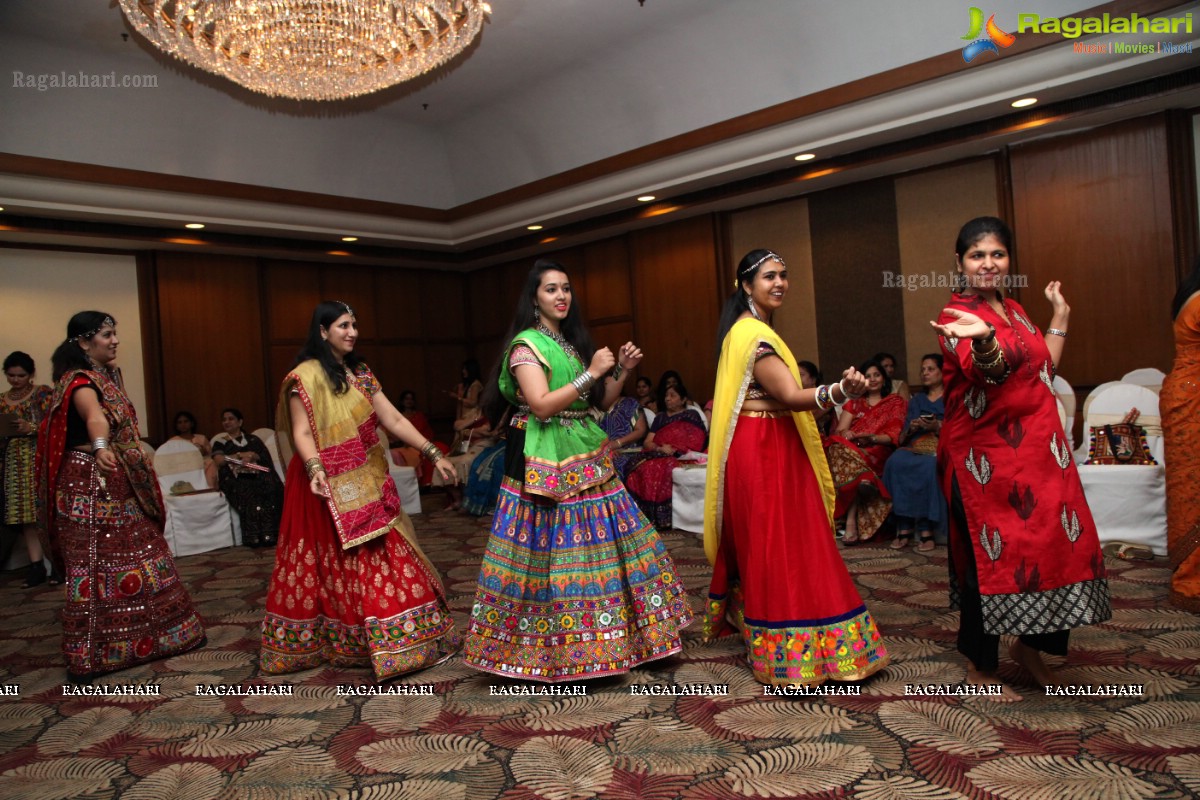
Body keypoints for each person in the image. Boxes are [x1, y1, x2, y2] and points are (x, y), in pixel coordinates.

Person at [464, 259, 692, 681]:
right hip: (542, 459)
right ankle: (558, 647)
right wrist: (592, 372)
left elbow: (598, 404)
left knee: (613, 543)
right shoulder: (526, 346)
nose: (562, 296)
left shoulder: (567, 343)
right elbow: (542, 405)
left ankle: (620, 639)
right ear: (534, 298)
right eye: (551, 289)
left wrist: (620, 369)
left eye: (566, 288)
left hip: (584, 451)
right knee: (551, 553)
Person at [931, 216, 1109, 699]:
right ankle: (979, 666)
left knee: (1057, 544)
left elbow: (1041, 367)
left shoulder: (1014, 308)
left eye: (997, 254)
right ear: (960, 263)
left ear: (1009, 260)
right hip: (983, 462)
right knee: (989, 555)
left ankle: (1029, 649)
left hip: (1040, 455)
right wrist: (984, 338)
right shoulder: (956, 316)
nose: (988, 264)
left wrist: (1060, 318)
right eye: (976, 255)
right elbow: (988, 373)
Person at [704, 249, 888, 687]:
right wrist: (841, 390)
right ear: (746, 286)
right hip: (764, 446)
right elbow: (789, 395)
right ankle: (789, 645)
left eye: (784, 275)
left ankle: (787, 629)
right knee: (778, 541)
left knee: (786, 537)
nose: (780, 283)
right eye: (769, 277)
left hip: (771, 441)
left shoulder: (753, 331)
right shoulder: (753, 336)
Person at [261, 301, 461, 680]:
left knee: (381, 548)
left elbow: (393, 418)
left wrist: (433, 452)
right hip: (320, 483)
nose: (351, 332)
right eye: (342, 325)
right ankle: (343, 639)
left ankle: (402, 639)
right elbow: (301, 432)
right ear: (322, 331)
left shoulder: (361, 373)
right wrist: (316, 469)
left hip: (366, 478)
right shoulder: (304, 378)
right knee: (330, 561)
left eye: (354, 325)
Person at [37, 312, 205, 682]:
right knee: (98, 565)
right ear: (83, 343)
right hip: (90, 480)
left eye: (115, 334)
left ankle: (163, 636)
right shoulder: (79, 382)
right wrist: (100, 447)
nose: (114, 341)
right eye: (106, 335)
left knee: (143, 552)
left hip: (115, 479)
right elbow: (94, 416)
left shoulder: (105, 377)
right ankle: (97, 653)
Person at [825, 359, 906, 543]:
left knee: (845, 457)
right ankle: (864, 483)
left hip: (878, 449)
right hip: (854, 449)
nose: (873, 379)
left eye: (877, 375)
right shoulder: (855, 403)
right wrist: (850, 433)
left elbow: (893, 435)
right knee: (836, 444)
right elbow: (841, 431)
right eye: (868, 376)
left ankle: (851, 523)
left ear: (884, 379)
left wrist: (871, 437)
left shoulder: (894, 403)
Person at [2, 352, 57, 587]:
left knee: (45, 513)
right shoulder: (2, 399)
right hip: (13, 462)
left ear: (31, 374)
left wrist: (31, 426)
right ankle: (36, 567)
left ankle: (56, 564)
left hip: (38, 457)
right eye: (10, 375)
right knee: (25, 518)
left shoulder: (42, 394)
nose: (15, 380)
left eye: (21, 375)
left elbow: (55, 423)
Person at [882, 354, 946, 552]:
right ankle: (904, 524)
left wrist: (937, 425)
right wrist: (913, 427)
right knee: (895, 461)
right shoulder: (917, 400)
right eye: (923, 370)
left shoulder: (952, 397)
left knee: (928, 467)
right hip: (916, 444)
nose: (925, 373)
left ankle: (926, 528)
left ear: (942, 372)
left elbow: (959, 427)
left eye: (930, 369)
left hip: (940, 445)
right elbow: (902, 436)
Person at [622, 382, 707, 530]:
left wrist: (676, 449)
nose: (668, 399)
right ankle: (645, 516)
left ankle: (664, 518)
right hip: (658, 453)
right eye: (666, 396)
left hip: (681, 455)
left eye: (673, 396)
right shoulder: (660, 418)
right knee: (641, 468)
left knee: (666, 467)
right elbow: (648, 442)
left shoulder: (691, 415)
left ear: (683, 399)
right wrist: (661, 448)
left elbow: (697, 441)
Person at [1165, 257, 1200, 610]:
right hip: (1192, 397)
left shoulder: (1191, 291)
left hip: (1185, 391)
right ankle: (1192, 577)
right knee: (1192, 487)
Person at [211, 408, 284, 548]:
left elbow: (264, 458)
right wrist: (239, 455)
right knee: (248, 490)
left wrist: (253, 456)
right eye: (224, 419)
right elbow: (219, 460)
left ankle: (272, 534)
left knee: (271, 485)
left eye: (231, 419)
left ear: (240, 422)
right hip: (234, 477)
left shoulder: (253, 439)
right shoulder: (220, 442)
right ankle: (254, 537)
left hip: (258, 474)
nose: (227, 422)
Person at [389, 390, 449, 486]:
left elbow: (426, 433)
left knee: (439, 448)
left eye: (411, 399)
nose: (409, 401)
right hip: (404, 447)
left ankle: (431, 482)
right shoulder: (397, 417)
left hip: (420, 445)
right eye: (407, 399)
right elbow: (393, 436)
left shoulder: (419, 416)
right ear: (401, 401)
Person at [599, 393, 647, 476]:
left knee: (616, 466)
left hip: (627, 451)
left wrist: (618, 443)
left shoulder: (630, 403)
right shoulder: (597, 407)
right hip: (603, 453)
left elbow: (641, 431)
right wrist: (608, 450)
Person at [170, 410, 217, 489]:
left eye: (186, 421)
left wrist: (203, 452)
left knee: (211, 463)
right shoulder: (172, 441)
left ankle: (209, 490)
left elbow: (210, 455)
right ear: (176, 426)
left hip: (202, 468)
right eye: (179, 422)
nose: (183, 424)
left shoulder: (201, 438)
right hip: (182, 468)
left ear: (192, 423)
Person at [798, 360, 832, 436]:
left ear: (813, 379)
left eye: (801, 374)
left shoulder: (824, 393)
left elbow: (810, 419)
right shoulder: (796, 395)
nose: (796, 377)